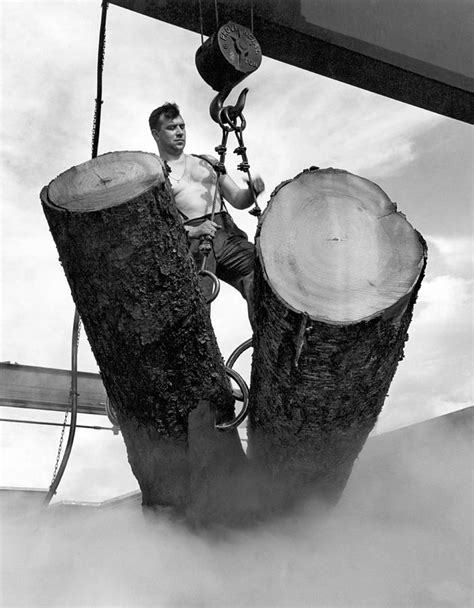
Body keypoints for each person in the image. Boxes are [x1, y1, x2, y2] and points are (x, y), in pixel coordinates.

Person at [149, 102, 265, 329]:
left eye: (182, 126)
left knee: (260, 273)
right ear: (156, 134)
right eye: (172, 127)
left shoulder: (208, 162)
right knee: (197, 304)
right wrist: (193, 230)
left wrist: (253, 191)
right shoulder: (156, 176)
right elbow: (159, 226)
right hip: (194, 242)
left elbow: (238, 200)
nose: (180, 132)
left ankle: (265, 340)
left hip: (226, 234)